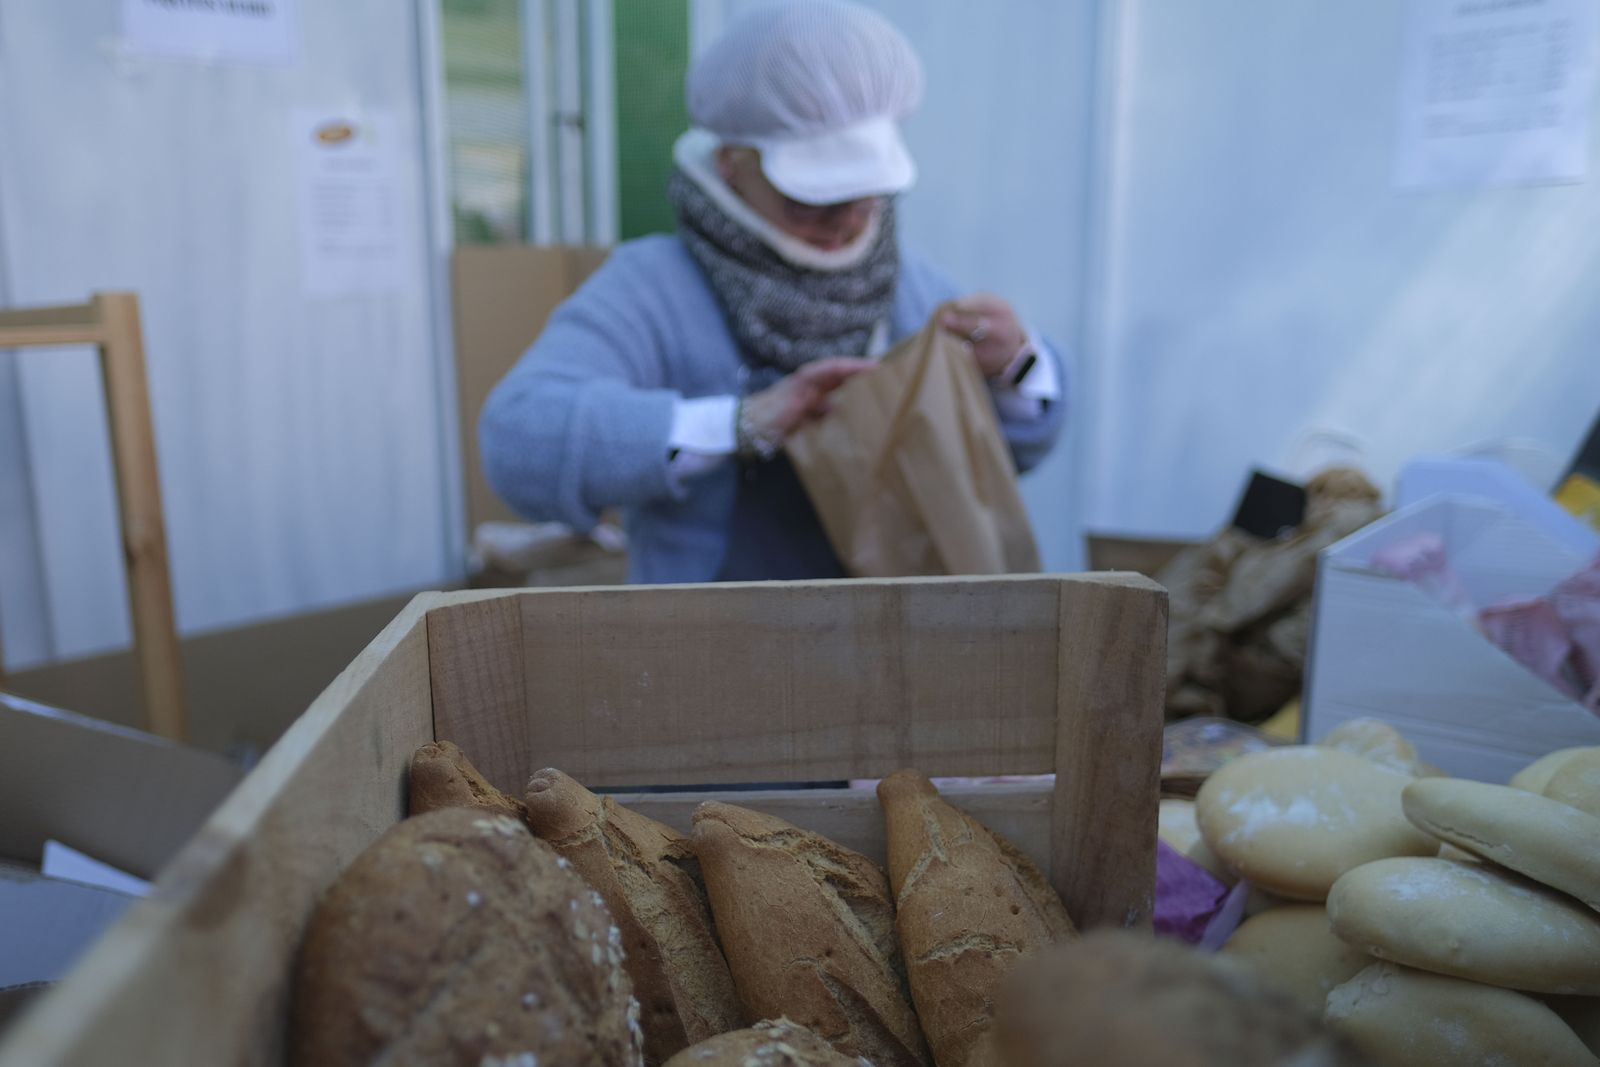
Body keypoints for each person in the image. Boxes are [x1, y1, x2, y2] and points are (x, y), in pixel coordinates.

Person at [481, 0, 1067, 583]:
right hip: (710, 648)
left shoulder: (906, 286)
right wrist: (737, 425)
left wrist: (1016, 367)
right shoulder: (652, 285)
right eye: (812, 202)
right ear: (731, 163)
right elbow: (519, 441)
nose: (846, 224)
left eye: (866, 199)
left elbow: (1000, 457)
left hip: (893, 640)